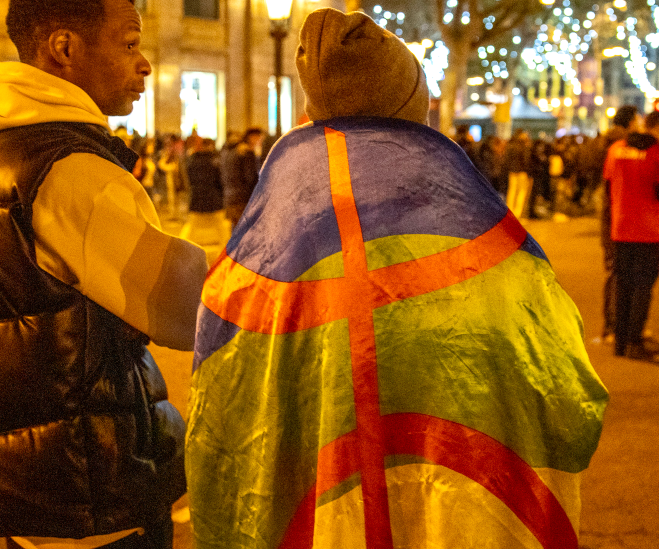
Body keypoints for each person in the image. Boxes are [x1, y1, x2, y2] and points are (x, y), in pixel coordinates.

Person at [186, 8, 608, 548]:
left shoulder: (255, 256)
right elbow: (559, 383)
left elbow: (225, 402)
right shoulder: (496, 253)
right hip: (455, 516)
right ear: (413, 105)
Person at [0, 0, 209, 546]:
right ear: (64, 48)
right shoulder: (70, 169)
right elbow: (185, 309)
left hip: (26, 480)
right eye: (129, 43)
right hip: (90, 483)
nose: (146, 63)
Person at [603, 111, 659, 359]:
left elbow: (607, 184)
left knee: (622, 283)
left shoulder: (616, 149)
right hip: (648, 228)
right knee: (643, 285)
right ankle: (635, 341)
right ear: (658, 128)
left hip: (621, 226)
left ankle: (620, 341)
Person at [597, 106, 642, 344]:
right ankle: (613, 326)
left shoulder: (608, 144)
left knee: (619, 270)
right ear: (630, 123)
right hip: (617, 214)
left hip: (614, 213)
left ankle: (620, 325)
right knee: (618, 271)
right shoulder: (619, 148)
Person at [179, 137, 229, 258]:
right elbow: (220, 181)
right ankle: (225, 254)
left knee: (191, 227)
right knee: (222, 228)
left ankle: (181, 250)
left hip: (196, 199)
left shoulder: (191, 161)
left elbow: (189, 180)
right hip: (214, 199)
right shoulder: (216, 161)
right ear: (211, 146)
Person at [222, 126, 262, 229]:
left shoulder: (227, 152)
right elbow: (251, 178)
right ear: (252, 137)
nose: (260, 140)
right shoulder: (246, 152)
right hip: (243, 199)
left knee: (235, 232)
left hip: (230, 198)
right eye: (259, 137)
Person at [502, 128, 533, 218]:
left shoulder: (510, 145)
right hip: (522, 172)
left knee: (512, 192)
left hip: (512, 172)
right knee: (521, 193)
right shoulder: (523, 145)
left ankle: (510, 212)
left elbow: (506, 160)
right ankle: (517, 213)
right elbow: (526, 160)